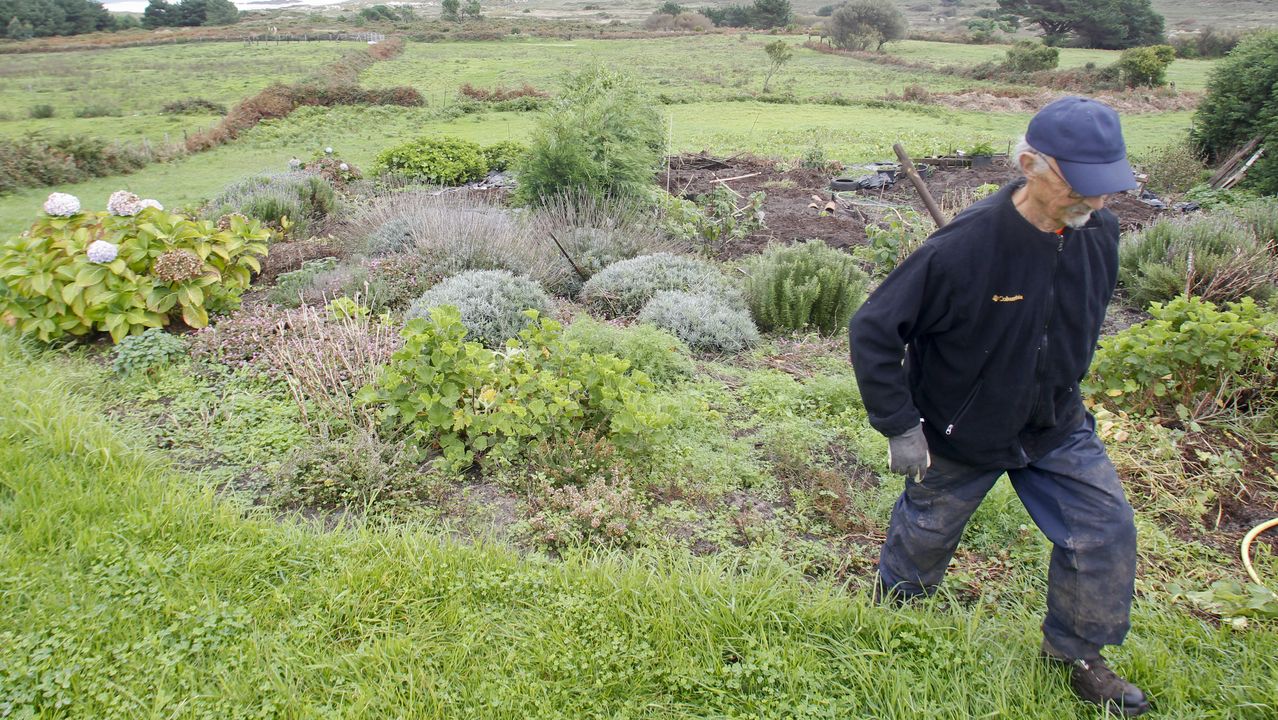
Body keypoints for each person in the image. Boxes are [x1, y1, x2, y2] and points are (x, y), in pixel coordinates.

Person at [848, 96, 1150, 717]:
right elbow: (874, 329)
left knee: (1104, 530)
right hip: (960, 430)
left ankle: (1077, 654)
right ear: (1029, 163)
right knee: (926, 534)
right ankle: (895, 618)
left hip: (1054, 424)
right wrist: (902, 426)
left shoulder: (1101, 233)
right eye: (1079, 186)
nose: (1093, 203)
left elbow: (1077, 318)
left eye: (1103, 188)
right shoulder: (963, 247)